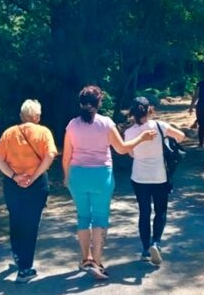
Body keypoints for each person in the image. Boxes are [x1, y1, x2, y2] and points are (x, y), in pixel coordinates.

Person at [62, 85, 156, 280]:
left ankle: (85, 259)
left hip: (77, 175)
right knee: (100, 218)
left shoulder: (72, 125)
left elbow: (66, 157)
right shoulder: (106, 123)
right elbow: (121, 149)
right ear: (99, 103)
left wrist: (66, 176)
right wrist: (142, 137)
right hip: (101, 176)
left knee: (82, 217)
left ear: (80, 104)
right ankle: (96, 262)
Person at [0, 99, 58, 284]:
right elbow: (50, 155)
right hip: (36, 185)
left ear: (22, 115)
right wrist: (35, 175)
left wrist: (14, 176)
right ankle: (25, 269)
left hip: (13, 185)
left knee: (15, 219)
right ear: (36, 116)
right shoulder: (44, 132)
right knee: (31, 224)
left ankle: (17, 255)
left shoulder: (9, 133)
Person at [125, 97, 185, 265]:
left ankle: (145, 250)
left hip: (139, 177)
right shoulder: (160, 126)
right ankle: (156, 242)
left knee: (144, 213)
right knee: (161, 211)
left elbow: (130, 153)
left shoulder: (129, 133)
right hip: (160, 176)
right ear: (149, 110)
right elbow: (181, 136)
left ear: (132, 112)